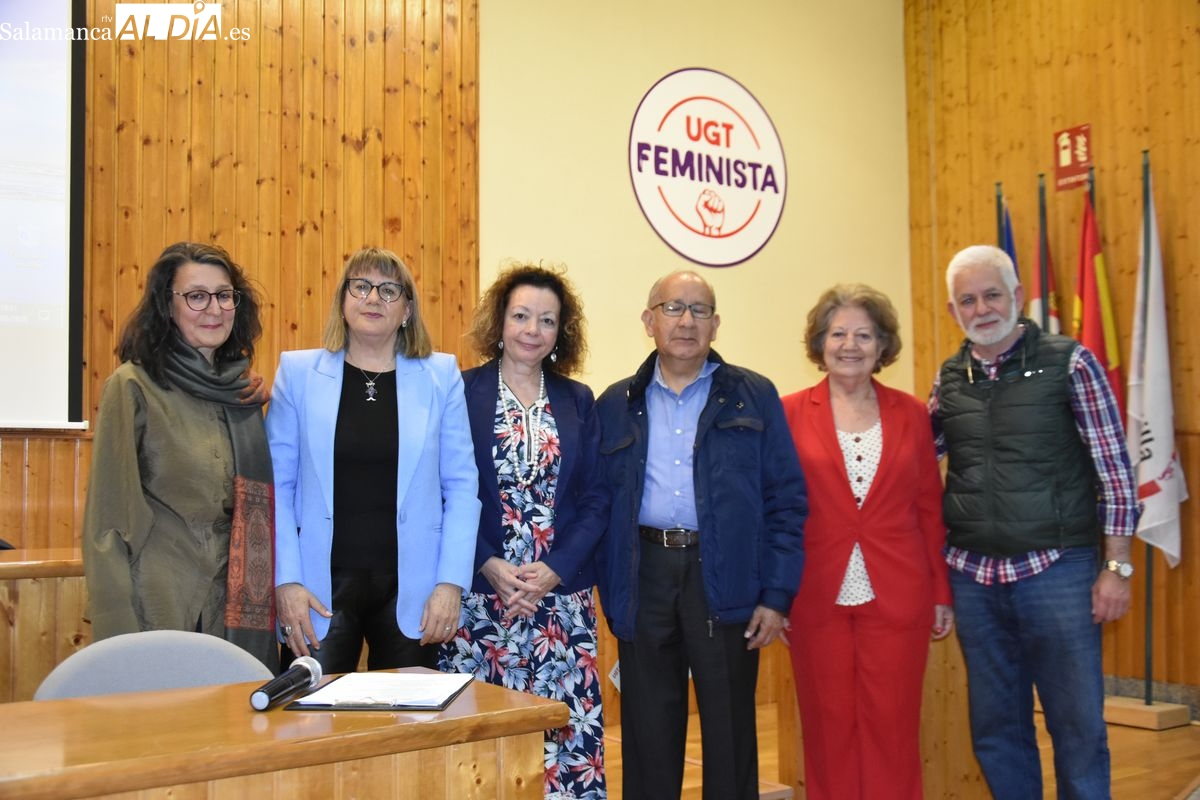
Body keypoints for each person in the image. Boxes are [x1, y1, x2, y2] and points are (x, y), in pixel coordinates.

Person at [932, 245, 1138, 799]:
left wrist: (1117, 567)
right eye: (968, 300)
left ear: (1018, 296)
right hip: (973, 579)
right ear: (953, 311)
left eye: (992, 294)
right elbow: (908, 461)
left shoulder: (1072, 362)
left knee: (1078, 728)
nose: (982, 309)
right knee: (997, 730)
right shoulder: (949, 377)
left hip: (1058, 574)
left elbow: (1115, 472)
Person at [595, 270, 808, 800]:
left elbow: (786, 502)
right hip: (645, 574)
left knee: (731, 727)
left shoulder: (753, 396)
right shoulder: (615, 402)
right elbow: (597, 505)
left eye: (700, 309)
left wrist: (777, 596)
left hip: (727, 578)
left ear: (716, 324)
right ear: (649, 321)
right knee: (647, 730)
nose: (686, 320)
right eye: (673, 308)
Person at [267, 247, 480, 673]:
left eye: (388, 290)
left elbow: (461, 486)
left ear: (406, 310)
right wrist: (286, 581)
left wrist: (450, 583)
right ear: (343, 302)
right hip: (317, 588)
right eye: (361, 286)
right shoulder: (298, 373)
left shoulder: (440, 375)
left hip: (414, 593)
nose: (373, 298)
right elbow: (277, 489)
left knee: (407, 730)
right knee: (309, 728)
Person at [439, 263, 607, 800]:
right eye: (521, 316)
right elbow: (441, 491)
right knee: (479, 749)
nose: (533, 329)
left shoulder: (579, 399)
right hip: (482, 598)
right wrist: (487, 561)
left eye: (547, 320)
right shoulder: (460, 391)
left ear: (562, 332)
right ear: (500, 322)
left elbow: (597, 497)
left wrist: (553, 570)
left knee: (563, 745)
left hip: (560, 600)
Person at [781, 284, 952, 800]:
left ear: (883, 346)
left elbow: (929, 509)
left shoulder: (912, 414)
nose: (850, 344)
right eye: (838, 333)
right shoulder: (788, 412)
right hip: (814, 595)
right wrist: (776, 595)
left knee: (893, 726)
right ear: (820, 342)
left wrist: (942, 592)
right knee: (827, 726)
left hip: (899, 594)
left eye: (864, 334)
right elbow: (778, 513)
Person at [83, 241, 277, 671]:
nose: (214, 308)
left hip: (233, 606)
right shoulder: (133, 385)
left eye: (224, 295)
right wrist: (116, 635)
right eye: (196, 296)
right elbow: (108, 524)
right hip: (157, 602)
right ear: (166, 307)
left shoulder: (243, 394)